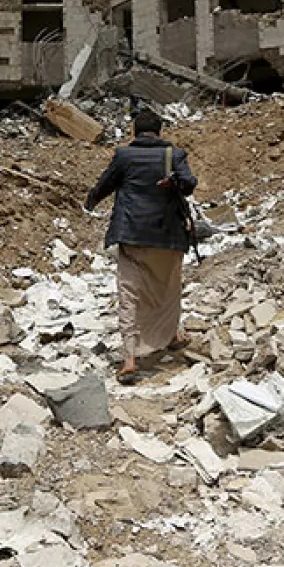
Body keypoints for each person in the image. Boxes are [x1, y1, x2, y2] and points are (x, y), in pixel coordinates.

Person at [85, 108, 198, 383]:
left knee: (130, 293)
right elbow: (189, 185)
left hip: (133, 235)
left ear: (134, 132)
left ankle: (129, 359)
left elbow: (104, 185)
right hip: (168, 236)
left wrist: (90, 201)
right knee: (167, 289)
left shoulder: (124, 156)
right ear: (159, 132)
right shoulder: (175, 156)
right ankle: (171, 335)